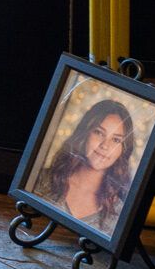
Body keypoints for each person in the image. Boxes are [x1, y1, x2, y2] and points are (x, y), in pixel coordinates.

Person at [39, 96, 139, 237]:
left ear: (123, 150)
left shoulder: (119, 214)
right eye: (99, 132)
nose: (105, 145)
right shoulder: (42, 179)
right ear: (85, 133)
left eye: (116, 140)